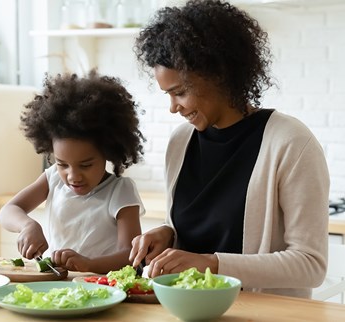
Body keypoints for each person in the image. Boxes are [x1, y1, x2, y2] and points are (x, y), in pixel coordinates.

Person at [129, 0, 330, 298]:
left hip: (262, 314)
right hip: (187, 308)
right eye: (168, 95)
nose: (173, 108)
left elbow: (311, 265)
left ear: (220, 74)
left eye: (180, 92)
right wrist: (167, 233)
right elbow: (191, 226)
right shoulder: (180, 143)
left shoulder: (291, 143)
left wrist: (211, 264)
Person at [0, 70, 146, 274]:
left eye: (85, 165)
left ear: (108, 151)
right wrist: (27, 226)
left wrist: (89, 265)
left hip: (101, 287)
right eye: (62, 164)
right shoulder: (52, 179)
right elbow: (8, 210)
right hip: (59, 285)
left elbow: (130, 254)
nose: (73, 176)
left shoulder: (120, 191)